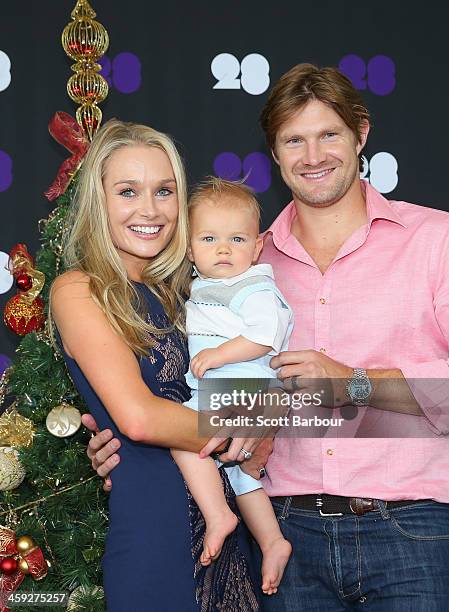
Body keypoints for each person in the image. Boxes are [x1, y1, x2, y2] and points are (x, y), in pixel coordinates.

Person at [86, 63, 449, 611]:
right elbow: (209, 396)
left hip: (412, 528)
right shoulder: (236, 260)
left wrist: (354, 383)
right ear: (275, 154)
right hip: (284, 536)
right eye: (293, 140)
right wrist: (132, 447)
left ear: (361, 134)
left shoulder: (434, 241)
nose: (313, 155)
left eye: (329, 134)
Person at [50, 119, 261, 612]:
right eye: (128, 191)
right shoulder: (80, 289)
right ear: (98, 201)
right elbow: (140, 418)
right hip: (156, 532)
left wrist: (264, 421)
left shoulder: (190, 292)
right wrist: (244, 427)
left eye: (164, 191)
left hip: (229, 526)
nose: (150, 209)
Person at [172, 177, 292, 594]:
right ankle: (272, 541)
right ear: (190, 249)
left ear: (257, 247)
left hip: (242, 384)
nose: (223, 249)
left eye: (236, 238)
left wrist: (217, 356)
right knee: (243, 473)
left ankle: (217, 514)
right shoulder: (205, 285)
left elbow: (265, 335)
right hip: (230, 390)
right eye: (209, 238)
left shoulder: (251, 286)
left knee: (177, 430)